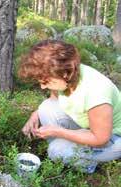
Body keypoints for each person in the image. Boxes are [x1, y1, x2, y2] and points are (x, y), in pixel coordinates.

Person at [18, 40, 121, 173]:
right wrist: (35, 115)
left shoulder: (97, 91)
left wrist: (58, 132)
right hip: (90, 127)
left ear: (65, 74)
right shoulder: (65, 75)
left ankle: (86, 164)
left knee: (56, 150)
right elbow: (54, 98)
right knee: (45, 108)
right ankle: (70, 151)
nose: (42, 86)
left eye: (46, 81)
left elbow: (100, 139)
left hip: (112, 137)